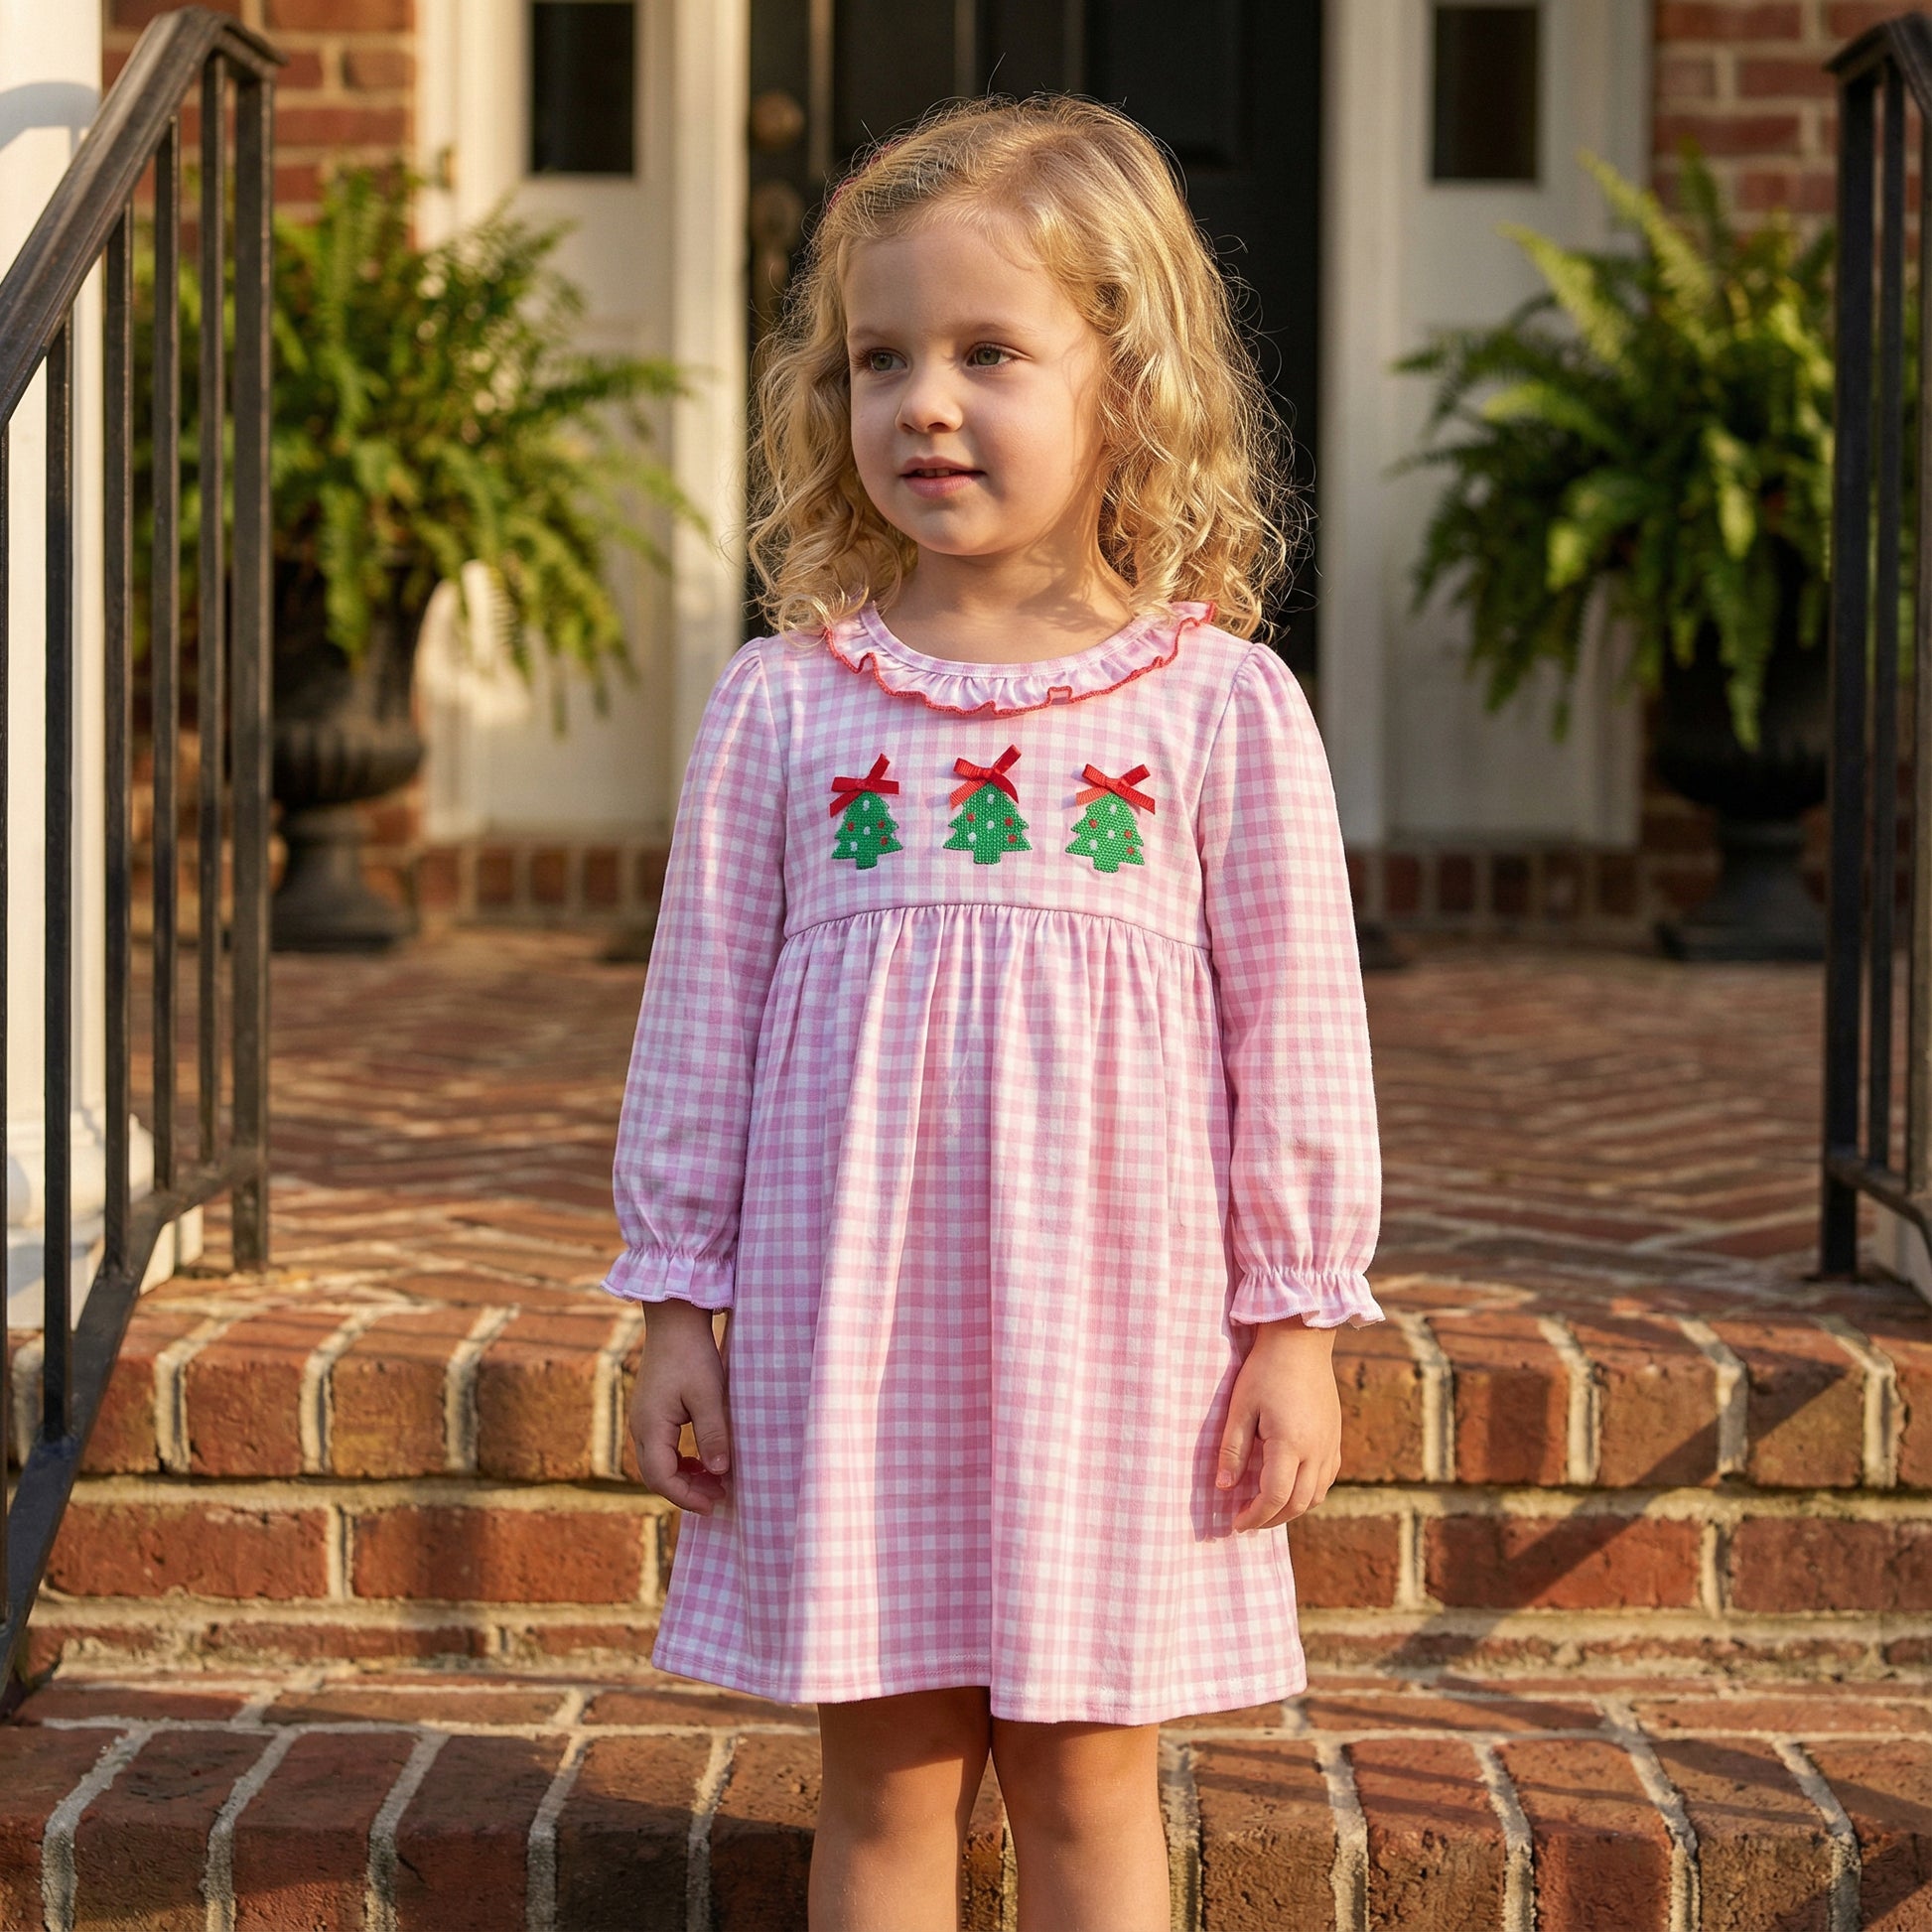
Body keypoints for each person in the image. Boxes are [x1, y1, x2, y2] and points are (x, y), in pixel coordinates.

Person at [607, 93, 1383, 1932]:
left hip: (1117, 1344)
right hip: (847, 1335)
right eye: (879, 359)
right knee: (884, 1782)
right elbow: (697, 1020)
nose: (922, 403)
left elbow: (1296, 1039)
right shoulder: (784, 704)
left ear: (1126, 381)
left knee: (1087, 1781)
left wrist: (1293, 1324)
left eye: (986, 353)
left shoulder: (1215, 707)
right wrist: (675, 1303)